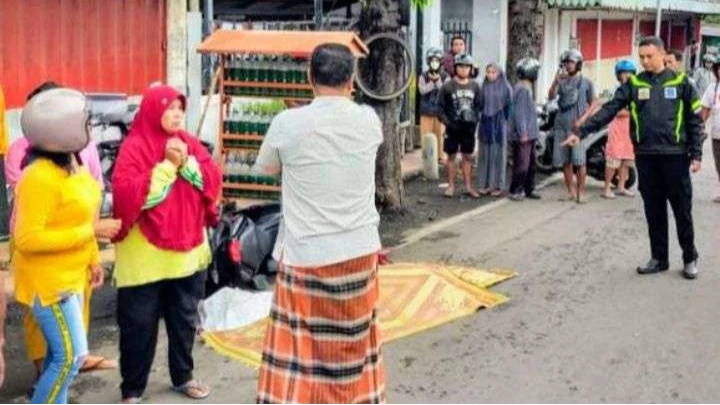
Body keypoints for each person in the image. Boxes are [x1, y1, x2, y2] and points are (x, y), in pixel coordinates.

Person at [253, 43, 386, 404]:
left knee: (301, 353)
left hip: (305, 254)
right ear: (351, 80)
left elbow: (267, 168)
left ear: (309, 77)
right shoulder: (369, 120)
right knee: (353, 348)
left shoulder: (287, 123)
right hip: (359, 251)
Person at [111, 85, 222, 404]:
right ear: (152, 110)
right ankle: (132, 389)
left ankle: (183, 375)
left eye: (179, 108)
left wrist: (187, 163)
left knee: (184, 319)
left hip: (186, 252)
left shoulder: (188, 142)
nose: (176, 114)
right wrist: (168, 166)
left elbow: (211, 180)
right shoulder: (134, 147)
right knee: (138, 325)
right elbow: (128, 196)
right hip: (145, 259)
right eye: (169, 108)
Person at [5, 82, 118, 388]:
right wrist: (90, 231)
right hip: (49, 282)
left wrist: (92, 257)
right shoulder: (39, 175)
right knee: (66, 360)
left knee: (69, 358)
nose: (89, 128)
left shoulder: (74, 160)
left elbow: (84, 211)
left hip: (71, 273)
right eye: (83, 122)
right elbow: (28, 238)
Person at [565, 36, 702, 280]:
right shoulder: (635, 84)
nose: (645, 61)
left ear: (662, 54)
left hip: (675, 156)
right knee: (654, 210)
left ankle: (689, 258)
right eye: (642, 57)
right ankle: (659, 258)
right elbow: (609, 109)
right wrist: (581, 132)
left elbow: (694, 120)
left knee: (682, 210)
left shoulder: (682, 82)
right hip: (646, 157)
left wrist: (696, 154)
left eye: (650, 56)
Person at [548, 49, 596, 203]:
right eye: (566, 62)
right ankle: (570, 191)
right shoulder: (561, 81)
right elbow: (551, 96)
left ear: (578, 64)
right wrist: (555, 81)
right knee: (565, 161)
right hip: (561, 124)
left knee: (580, 161)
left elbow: (593, 103)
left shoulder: (586, 82)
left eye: (571, 62)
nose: (568, 65)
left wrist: (583, 119)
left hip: (577, 128)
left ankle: (581, 193)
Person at [438, 53, 483, 198]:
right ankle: (451, 186)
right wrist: (447, 122)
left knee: (468, 157)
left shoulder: (475, 86)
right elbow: (440, 108)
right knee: (451, 156)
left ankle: (468, 187)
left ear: (471, 69)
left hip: (468, 129)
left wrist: (474, 120)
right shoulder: (447, 86)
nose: (464, 69)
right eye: (461, 66)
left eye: (467, 67)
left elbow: (479, 106)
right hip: (452, 128)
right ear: (456, 67)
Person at [508, 57, 542, 202]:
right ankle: (516, 190)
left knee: (531, 164)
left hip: (530, 132)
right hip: (524, 134)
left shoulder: (527, 87)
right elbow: (520, 112)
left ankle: (529, 188)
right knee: (522, 164)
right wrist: (523, 132)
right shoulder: (522, 89)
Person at [477, 63, 512, 197]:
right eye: (488, 72)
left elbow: (509, 105)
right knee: (485, 152)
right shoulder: (484, 86)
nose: (491, 75)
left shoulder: (505, 87)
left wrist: (505, 120)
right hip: (486, 121)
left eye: (493, 72)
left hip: (499, 122)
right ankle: (484, 184)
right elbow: (480, 104)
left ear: (499, 73)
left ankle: (497, 185)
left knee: (498, 153)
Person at [418, 47, 450, 162]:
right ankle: (427, 157)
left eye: (437, 60)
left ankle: (441, 156)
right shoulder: (423, 76)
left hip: (440, 112)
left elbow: (446, 91)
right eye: (432, 60)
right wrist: (432, 82)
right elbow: (422, 90)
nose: (434, 63)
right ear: (428, 61)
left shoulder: (446, 76)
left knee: (440, 135)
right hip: (426, 110)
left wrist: (437, 81)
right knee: (426, 136)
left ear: (441, 62)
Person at [700, 57, 720, 202]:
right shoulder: (712, 88)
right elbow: (705, 108)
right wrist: (700, 126)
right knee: (719, 164)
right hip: (717, 134)